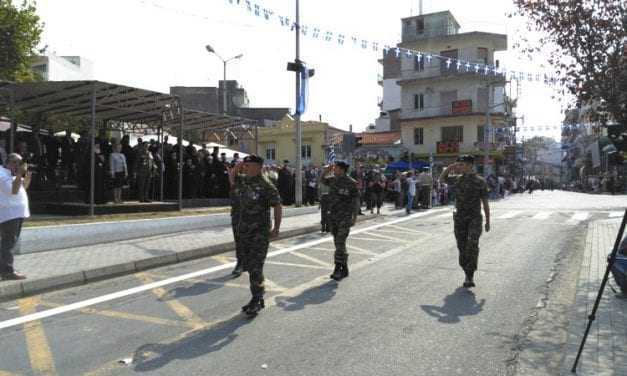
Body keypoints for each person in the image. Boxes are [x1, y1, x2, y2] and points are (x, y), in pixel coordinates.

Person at [228, 155, 282, 316]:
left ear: (258, 167)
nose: (246, 167)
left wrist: (276, 229)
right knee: (250, 266)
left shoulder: (266, 185)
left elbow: (277, 206)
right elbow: (233, 179)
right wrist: (238, 166)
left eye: (250, 165)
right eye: (246, 165)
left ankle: (256, 298)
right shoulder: (244, 180)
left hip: (259, 232)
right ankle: (258, 297)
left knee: (256, 266)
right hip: (244, 231)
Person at [440, 155, 490, 288]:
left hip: (474, 218)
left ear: (469, 165)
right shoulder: (457, 179)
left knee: (472, 245)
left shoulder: (480, 181)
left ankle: (470, 275)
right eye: (459, 164)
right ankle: (466, 271)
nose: (459, 167)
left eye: (461, 164)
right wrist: (450, 167)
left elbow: (485, 202)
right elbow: (441, 179)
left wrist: (488, 221)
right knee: (462, 247)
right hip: (460, 218)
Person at [321, 161, 360, 281]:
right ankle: (345, 267)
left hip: (345, 217)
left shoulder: (351, 183)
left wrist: (355, 217)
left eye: (336, 168)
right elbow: (322, 180)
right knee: (337, 242)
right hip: (333, 216)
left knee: (340, 242)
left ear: (342, 169)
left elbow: (356, 201)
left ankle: (338, 268)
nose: (334, 170)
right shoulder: (333, 180)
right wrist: (326, 171)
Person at [0, 153, 31, 280]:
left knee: (9, 242)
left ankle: (5, 269)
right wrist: (19, 174)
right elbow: (13, 191)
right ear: (8, 162)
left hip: (16, 214)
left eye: (19, 163)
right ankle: (7, 271)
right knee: (8, 243)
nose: (18, 166)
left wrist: (27, 177)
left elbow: (22, 188)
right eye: (15, 163)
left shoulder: (11, 175)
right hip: (9, 214)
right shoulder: (2, 174)